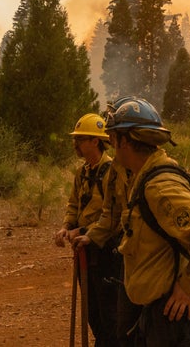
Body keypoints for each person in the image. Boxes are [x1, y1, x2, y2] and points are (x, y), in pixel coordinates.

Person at [105, 97, 190, 346]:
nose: (111, 145)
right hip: (156, 312)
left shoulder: (159, 187)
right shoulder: (143, 176)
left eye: (114, 138)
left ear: (126, 141)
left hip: (172, 318)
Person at [53, 112, 123, 347]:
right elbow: (74, 205)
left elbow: (112, 216)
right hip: (85, 251)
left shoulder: (113, 172)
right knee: (92, 312)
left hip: (107, 253)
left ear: (96, 141)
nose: (77, 144)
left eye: (81, 139)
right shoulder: (82, 172)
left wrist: (82, 231)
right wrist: (66, 228)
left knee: (110, 313)